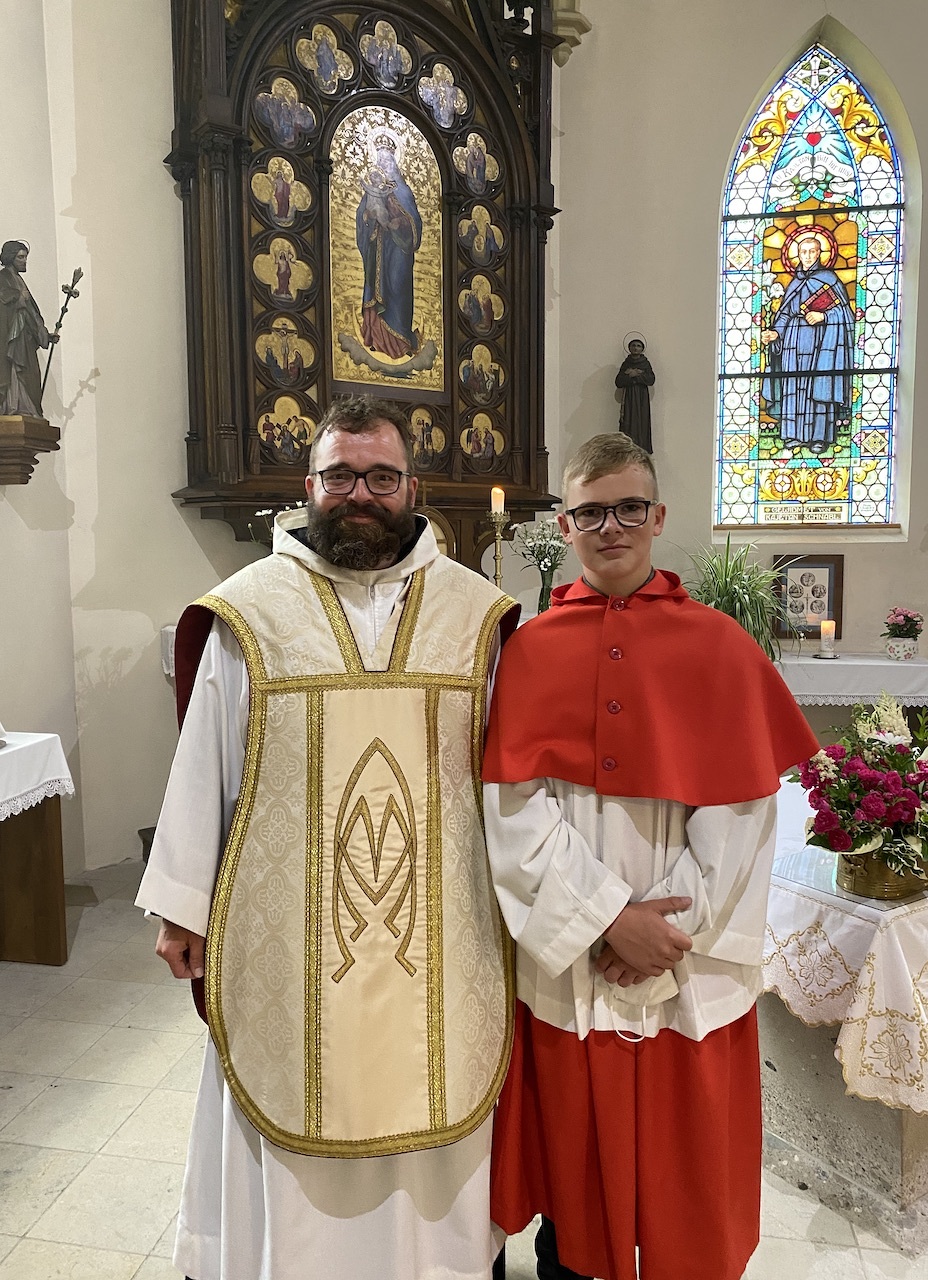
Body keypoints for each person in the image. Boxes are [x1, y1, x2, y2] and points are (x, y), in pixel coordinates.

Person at [136, 394, 518, 1280]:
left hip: (444, 934)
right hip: (288, 943)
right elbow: (206, 761)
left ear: (414, 488)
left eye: (381, 477)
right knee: (285, 1090)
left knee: (442, 1092)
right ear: (308, 486)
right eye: (340, 476)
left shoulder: (477, 617)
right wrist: (183, 906)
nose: (360, 495)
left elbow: (514, 784)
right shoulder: (249, 611)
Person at [482, 432, 817, 1280]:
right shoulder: (528, 650)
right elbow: (511, 811)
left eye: (630, 508)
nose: (612, 527)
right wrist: (606, 920)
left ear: (658, 516)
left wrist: (662, 934)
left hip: (687, 968)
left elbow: (743, 815)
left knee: (686, 1187)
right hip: (576, 964)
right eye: (592, 512)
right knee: (575, 1191)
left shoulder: (721, 646)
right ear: (565, 525)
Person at [761, 235, 852, 453]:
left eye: (812, 251)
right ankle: (792, 434)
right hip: (793, 341)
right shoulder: (794, 282)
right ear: (798, 255)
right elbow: (785, 314)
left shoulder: (830, 279)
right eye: (804, 252)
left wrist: (824, 317)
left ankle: (819, 437)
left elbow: (846, 315)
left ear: (820, 253)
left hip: (822, 342)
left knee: (818, 385)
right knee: (792, 384)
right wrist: (775, 333)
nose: (808, 256)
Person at [356, 136, 422, 359]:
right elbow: (363, 216)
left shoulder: (404, 192)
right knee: (377, 289)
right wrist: (368, 216)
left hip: (399, 252)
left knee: (397, 285)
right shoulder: (373, 190)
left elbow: (414, 222)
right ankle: (377, 338)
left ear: (395, 163)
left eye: (387, 161)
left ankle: (402, 339)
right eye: (380, 161)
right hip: (378, 249)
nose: (383, 165)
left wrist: (399, 222)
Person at [0, 241, 57, 417]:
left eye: (25, 257)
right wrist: (18, 297)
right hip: (12, 340)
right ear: (10, 258)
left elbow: (31, 315)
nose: (24, 261)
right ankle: (13, 407)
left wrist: (44, 335)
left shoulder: (19, 280)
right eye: (20, 257)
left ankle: (29, 409)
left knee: (31, 374)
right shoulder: (1, 278)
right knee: (15, 371)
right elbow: (0, 306)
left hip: (25, 339)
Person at [613, 337, 655, 452]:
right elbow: (618, 382)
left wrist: (637, 375)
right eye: (633, 345)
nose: (635, 348)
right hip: (629, 397)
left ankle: (642, 449)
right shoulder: (626, 364)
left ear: (642, 349)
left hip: (641, 398)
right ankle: (628, 449)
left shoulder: (645, 363)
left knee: (642, 422)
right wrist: (629, 376)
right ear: (629, 348)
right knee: (628, 421)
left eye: (638, 346)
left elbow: (651, 379)